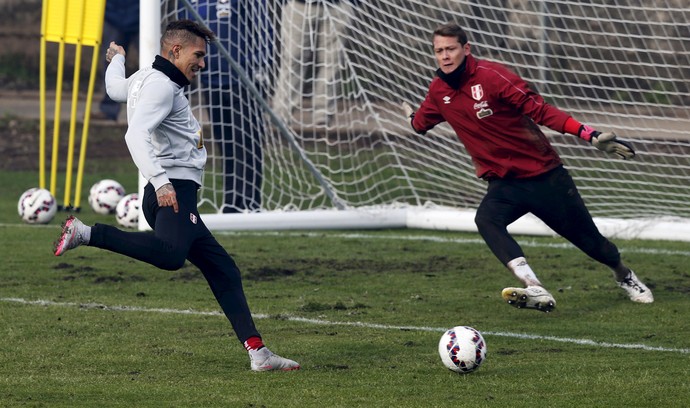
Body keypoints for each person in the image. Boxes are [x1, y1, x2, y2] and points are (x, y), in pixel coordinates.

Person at [53, 20, 300, 371]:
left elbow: (115, 91)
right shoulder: (161, 87)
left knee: (225, 271)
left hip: (173, 193)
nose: (202, 63)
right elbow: (135, 135)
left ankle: (259, 353)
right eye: (198, 55)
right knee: (170, 256)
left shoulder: (146, 79)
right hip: (173, 191)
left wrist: (118, 59)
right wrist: (161, 181)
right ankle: (89, 233)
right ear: (175, 51)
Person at [402, 23, 653, 312]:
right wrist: (411, 119)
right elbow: (421, 123)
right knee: (486, 220)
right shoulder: (439, 91)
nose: (445, 56)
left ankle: (625, 275)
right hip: (504, 183)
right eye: (439, 51)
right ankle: (533, 287)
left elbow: (542, 111)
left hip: (545, 177)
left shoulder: (493, 77)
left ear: (466, 49)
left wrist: (590, 134)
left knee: (594, 244)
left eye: (450, 48)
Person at [182, 0, 273, 213]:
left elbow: (264, 28)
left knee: (247, 143)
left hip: (244, 79)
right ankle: (232, 202)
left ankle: (250, 203)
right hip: (211, 79)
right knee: (226, 144)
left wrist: (258, 64)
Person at [272, 0, 358, 126]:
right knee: (293, 59)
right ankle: (282, 112)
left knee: (332, 61)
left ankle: (323, 113)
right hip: (299, 6)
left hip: (337, 6)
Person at [92, 0, 139, 122]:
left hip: (142, 15)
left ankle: (158, 106)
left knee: (153, 60)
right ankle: (109, 109)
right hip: (113, 16)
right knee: (110, 61)